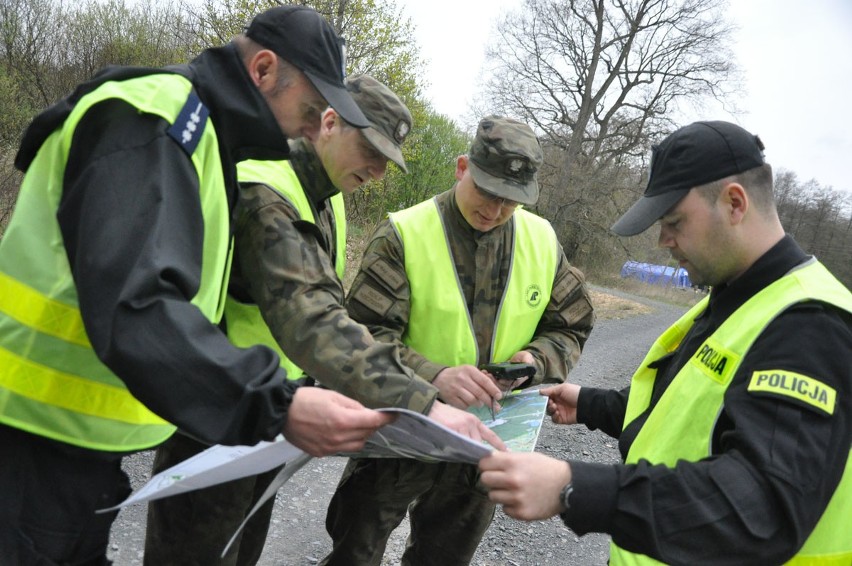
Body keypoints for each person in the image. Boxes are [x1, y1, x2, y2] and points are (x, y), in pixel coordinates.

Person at [0, 7, 398, 565]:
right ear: (262, 70)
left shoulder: (207, 138)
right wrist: (277, 406)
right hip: (29, 438)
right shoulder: (155, 119)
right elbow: (137, 306)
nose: (313, 129)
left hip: (77, 441)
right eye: (311, 109)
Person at [143, 75, 504, 566]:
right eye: (370, 150)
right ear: (329, 122)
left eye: (387, 161)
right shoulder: (269, 193)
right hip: (215, 422)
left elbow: (331, 306)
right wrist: (424, 403)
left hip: (265, 420)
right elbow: (313, 320)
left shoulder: (324, 192)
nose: (377, 171)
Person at [478, 121, 852, 564]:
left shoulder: (810, 325)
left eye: (674, 222)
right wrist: (592, 404)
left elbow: (763, 505)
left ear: (735, 203)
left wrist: (574, 487)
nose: (663, 240)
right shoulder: (736, 295)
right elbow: (692, 413)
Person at [321, 116, 595, 566]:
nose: (495, 210)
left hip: (484, 438)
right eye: (487, 193)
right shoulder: (405, 234)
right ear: (462, 167)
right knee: (355, 549)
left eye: (510, 202)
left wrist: (536, 361)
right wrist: (436, 376)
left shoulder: (542, 241)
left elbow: (572, 324)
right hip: (401, 427)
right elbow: (363, 336)